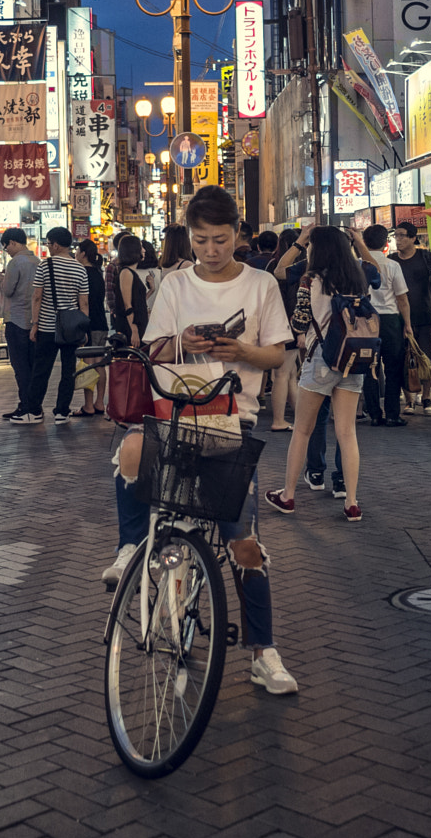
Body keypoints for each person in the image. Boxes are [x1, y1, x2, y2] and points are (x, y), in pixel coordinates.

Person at [106, 185, 299, 695]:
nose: (211, 250)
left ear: (237, 233)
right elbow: (152, 350)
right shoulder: (173, 283)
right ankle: (129, 549)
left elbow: (278, 357)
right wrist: (180, 342)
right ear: (188, 237)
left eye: (220, 239)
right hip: (179, 413)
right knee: (130, 451)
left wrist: (241, 349)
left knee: (245, 545)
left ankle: (264, 652)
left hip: (237, 421)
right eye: (200, 240)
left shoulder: (261, 285)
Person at [271, 225, 371, 522]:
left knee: (303, 430)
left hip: (321, 359)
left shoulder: (310, 279)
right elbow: (375, 267)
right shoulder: (359, 278)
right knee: (347, 432)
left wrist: (299, 243)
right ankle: (351, 502)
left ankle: (288, 495)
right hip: (353, 359)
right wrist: (360, 244)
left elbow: (280, 273)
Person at [21, 227, 90, 425]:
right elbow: (83, 302)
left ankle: (34, 411)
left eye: (49, 244)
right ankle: (62, 412)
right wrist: (83, 329)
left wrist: (35, 324)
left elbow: (37, 297)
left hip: (47, 327)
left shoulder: (45, 265)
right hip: (71, 328)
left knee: (41, 370)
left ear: (56, 244)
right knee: (68, 370)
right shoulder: (80, 268)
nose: (48, 247)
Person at [357, 224, 411, 427]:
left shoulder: (357, 264)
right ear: (385, 243)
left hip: (365, 319)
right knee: (393, 367)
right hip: (390, 321)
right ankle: (392, 414)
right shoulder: (392, 265)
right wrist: (407, 324)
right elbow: (402, 299)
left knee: (369, 368)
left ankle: (374, 413)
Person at [393, 223, 431, 414]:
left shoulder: (426, 257)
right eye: (396, 236)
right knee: (404, 360)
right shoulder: (391, 260)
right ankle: (409, 400)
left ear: (413, 238)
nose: (398, 239)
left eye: (402, 236)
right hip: (399, 320)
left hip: (424, 316)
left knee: (427, 359)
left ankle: (427, 397)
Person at [0, 229, 40, 422]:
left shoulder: (16, 263)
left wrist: (0, 279)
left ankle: (27, 408)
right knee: (32, 366)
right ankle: (33, 406)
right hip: (34, 322)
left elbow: (7, 291)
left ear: (13, 242)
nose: (6, 250)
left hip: (16, 321)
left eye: (6, 246)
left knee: (20, 367)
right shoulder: (38, 262)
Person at [265, 228, 305, 430]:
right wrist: (300, 330)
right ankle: (278, 420)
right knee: (283, 374)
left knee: (288, 373)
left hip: (275, 322)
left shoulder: (273, 265)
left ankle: (298, 418)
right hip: (291, 324)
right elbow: (294, 299)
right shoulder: (299, 267)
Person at [73, 238, 108, 416]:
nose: (76, 254)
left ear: (84, 254)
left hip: (89, 323)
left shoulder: (82, 273)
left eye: (78, 251)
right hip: (101, 322)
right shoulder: (97, 272)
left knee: (89, 364)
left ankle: (88, 405)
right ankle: (100, 403)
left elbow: (83, 302)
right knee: (100, 363)